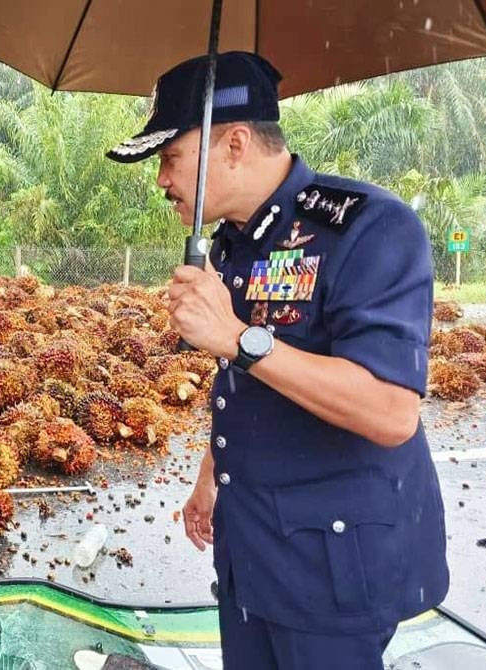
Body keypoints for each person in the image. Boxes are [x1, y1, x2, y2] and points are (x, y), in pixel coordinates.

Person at [107, 52, 448, 669]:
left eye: (170, 158)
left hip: (335, 573)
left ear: (233, 143)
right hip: (252, 553)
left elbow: (392, 410)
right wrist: (210, 477)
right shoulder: (236, 242)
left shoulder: (369, 230)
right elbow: (245, 385)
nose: (161, 180)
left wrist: (238, 336)